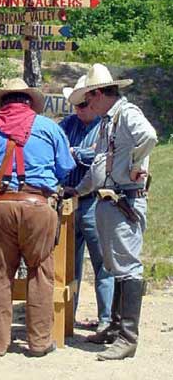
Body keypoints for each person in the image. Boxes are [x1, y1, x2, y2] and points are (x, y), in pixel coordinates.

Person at [0, 78, 75, 357]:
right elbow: (65, 167)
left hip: (2, 204)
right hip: (38, 205)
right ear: (29, 102)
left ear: (3, 102)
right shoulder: (49, 127)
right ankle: (39, 342)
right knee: (40, 273)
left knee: (0, 274)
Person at [68, 64, 157, 360]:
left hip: (125, 199)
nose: (87, 104)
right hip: (111, 199)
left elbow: (149, 137)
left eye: (88, 97)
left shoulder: (127, 114)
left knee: (127, 266)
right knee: (115, 263)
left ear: (98, 93)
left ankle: (128, 336)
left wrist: (134, 166)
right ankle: (117, 328)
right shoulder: (109, 119)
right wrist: (79, 190)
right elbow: (99, 166)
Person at [60, 75, 114, 333]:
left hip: (93, 201)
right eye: (78, 105)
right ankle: (67, 317)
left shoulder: (105, 127)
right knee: (68, 264)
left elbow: (101, 156)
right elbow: (58, 152)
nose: (81, 109)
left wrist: (75, 153)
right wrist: (79, 153)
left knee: (102, 262)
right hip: (68, 200)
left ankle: (106, 319)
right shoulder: (65, 125)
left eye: (85, 104)